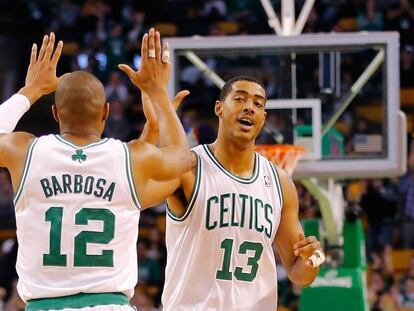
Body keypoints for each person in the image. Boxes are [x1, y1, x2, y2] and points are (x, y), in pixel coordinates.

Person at [0, 29, 191, 310]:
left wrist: (31, 90)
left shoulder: (25, 151)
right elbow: (180, 158)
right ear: (106, 112)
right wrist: (159, 96)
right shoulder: (131, 157)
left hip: (44, 305)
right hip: (109, 304)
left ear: (55, 113)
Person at [141, 76, 325, 310]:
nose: (250, 107)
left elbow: (300, 274)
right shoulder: (189, 168)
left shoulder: (280, 182)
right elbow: (138, 195)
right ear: (218, 108)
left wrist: (314, 258)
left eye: (258, 104)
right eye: (240, 99)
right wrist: (152, 130)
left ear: (263, 118)